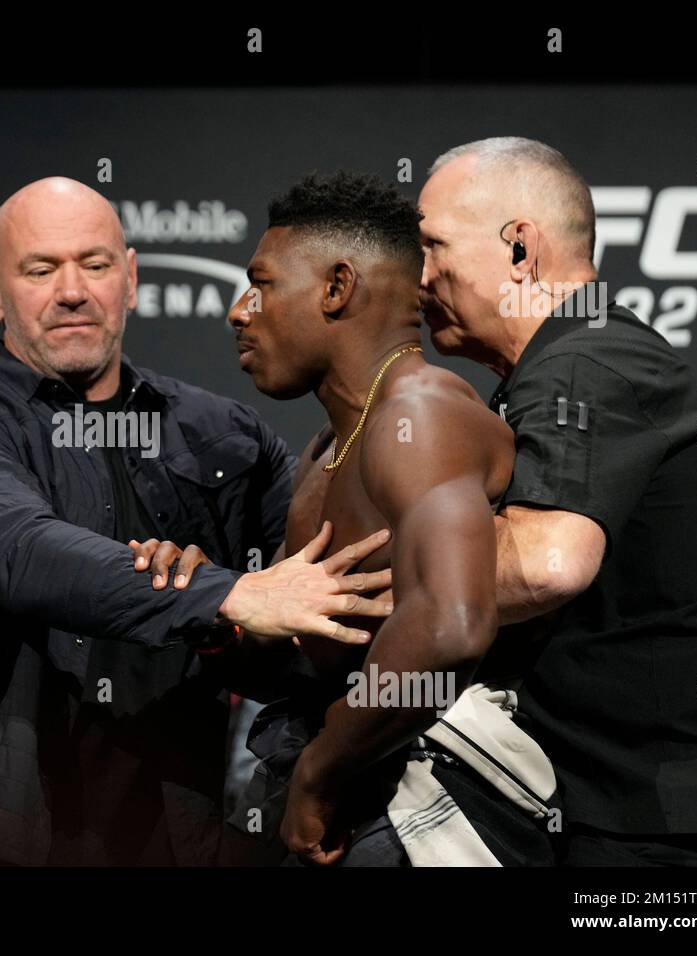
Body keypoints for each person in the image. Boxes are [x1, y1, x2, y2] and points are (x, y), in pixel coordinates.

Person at [0, 176, 394, 866]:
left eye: (94, 265)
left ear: (129, 277)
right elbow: (15, 552)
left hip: (176, 838)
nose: (72, 291)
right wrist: (230, 594)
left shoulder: (221, 434)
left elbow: (316, 614)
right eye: (41, 269)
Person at [419, 136, 697, 865]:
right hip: (630, 803)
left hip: (654, 824)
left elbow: (546, 564)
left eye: (434, 246)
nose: (419, 278)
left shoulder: (582, 360)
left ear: (520, 250)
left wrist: (369, 591)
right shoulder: (578, 357)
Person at [221, 170, 554, 865]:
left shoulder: (420, 414)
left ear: (337, 287)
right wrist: (219, 612)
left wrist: (318, 774)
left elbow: (450, 626)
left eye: (263, 284)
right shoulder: (324, 448)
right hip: (358, 789)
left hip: (422, 808)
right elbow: (313, 654)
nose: (239, 311)